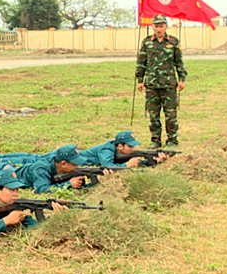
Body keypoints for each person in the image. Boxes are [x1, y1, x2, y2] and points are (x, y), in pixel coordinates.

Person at [136, 14, 187, 148]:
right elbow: (141, 62)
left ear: (166, 27)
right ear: (152, 27)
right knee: (153, 115)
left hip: (169, 84)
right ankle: (155, 140)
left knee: (170, 114)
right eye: (156, 26)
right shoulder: (147, 42)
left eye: (161, 26)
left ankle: (172, 140)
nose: (158, 29)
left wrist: (182, 79)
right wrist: (140, 80)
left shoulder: (173, 42)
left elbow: (179, 62)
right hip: (152, 84)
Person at [76, 131, 166, 168]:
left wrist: (154, 161)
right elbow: (107, 166)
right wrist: (127, 165)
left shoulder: (119, 152)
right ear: (120, 146)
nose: (133, 149)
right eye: (130, 146)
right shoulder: (107, 150)